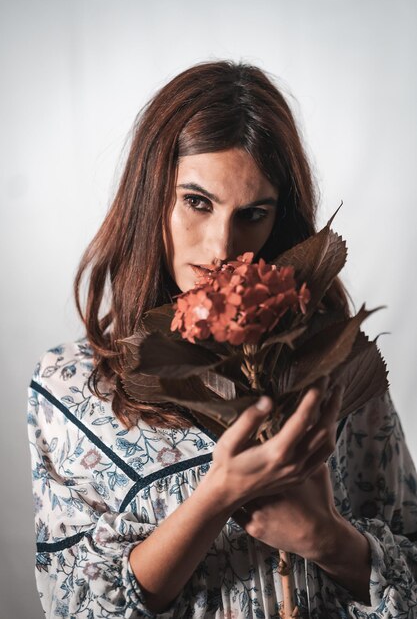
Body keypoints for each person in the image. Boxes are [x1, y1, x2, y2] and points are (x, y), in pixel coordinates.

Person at [27, 60, 417, 619]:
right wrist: (217, 495)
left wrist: (328, 540)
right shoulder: (72, 386)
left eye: (252, 214)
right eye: (197, 202)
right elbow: (75, 605)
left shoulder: (331, 365)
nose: (220, 248)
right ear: (150, 195)